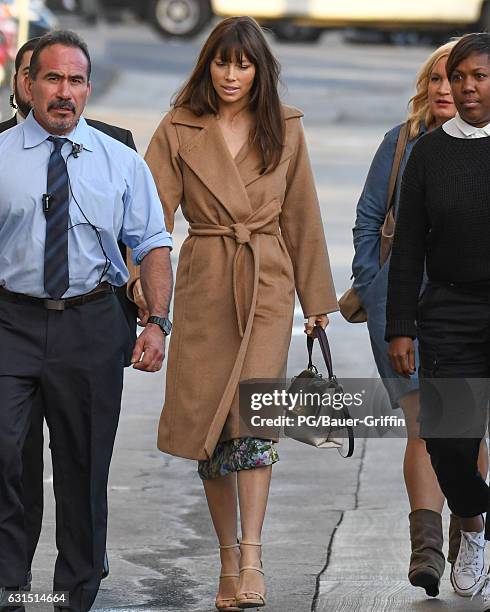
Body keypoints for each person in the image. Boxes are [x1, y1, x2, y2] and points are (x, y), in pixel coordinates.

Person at [132, 15, 337, 611]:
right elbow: (148, 218)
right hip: (203, 283)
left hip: (267, 285)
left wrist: (316, 304)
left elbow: (304, 217)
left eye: (243, 64)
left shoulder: (285, 129)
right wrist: (143, 289)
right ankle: (227, 559)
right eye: (222, 62)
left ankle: (252, 556)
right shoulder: (177, 128)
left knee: (252, 419)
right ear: (208, 65)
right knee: (210, 428)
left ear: (258, 70)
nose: (231, 75)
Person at [0, 30, 173, 612]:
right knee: (5, 451)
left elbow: (152, 243)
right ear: (28, 85)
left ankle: (75, 591)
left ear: (89, 89)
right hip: (10, 322)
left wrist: (157, 322)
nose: (64, 93)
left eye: (75, 81)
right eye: (52, 78)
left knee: (83, 463)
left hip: (91, 322)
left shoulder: (119, 161)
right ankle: (8, 581)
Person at [352, 39, 489, 597]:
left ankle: (469, 534)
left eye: (479, 76)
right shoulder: (425, 151)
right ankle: (472, 525)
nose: (464, 87)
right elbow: (402, 243)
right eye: (457, 78)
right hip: (446, 312)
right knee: (445, 437)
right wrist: (395, 316)